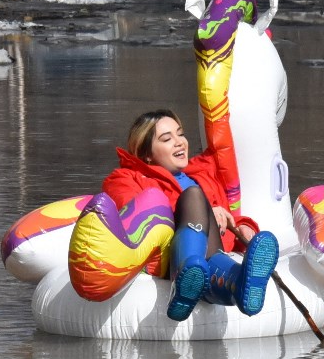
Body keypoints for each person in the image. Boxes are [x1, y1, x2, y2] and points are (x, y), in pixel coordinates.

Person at [102, 109, 279, 322]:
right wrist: (201, 210)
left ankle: (233, 285)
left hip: (212, 252)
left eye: (181, 134)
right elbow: (137, 218)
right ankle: (185, 276)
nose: (179, 142)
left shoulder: (202, 177)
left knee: (198, 204)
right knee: (194, 198)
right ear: (147, 153)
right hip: (169, 256)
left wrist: (243, 226)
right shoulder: (125, 179)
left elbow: (224, 218)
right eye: (167, 139)